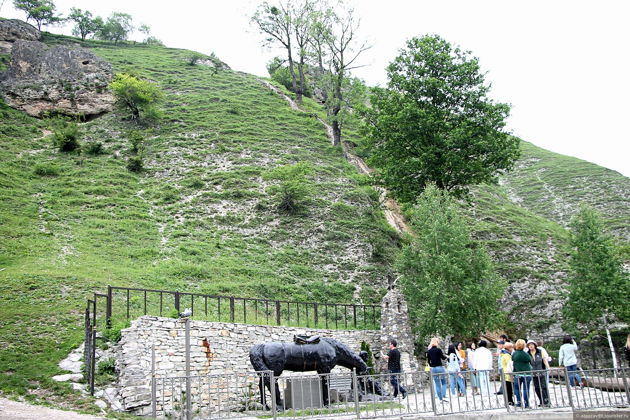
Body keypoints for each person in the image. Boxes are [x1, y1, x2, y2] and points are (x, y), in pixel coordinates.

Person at [527, 340, 550, 407]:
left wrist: (548, 367)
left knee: (543, 386)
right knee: (536, 387)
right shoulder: (527, 353)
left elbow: (544, 360)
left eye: (532, 344)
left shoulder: (540, 351)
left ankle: (546, 401)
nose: (530, 346)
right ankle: (541, 400)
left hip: (541, 371)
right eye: (529, 345)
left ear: (535, 345)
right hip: (533, 372)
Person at [512, 339, 533, 408]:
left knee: (517, 389)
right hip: (527, 373)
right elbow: (530, 360)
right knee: (526, 389)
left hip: (517, 373)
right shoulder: (525, 354)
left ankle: (519, 402)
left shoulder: (514, 354)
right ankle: (526, 404)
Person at [426, 337, 448, 402]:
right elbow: (443, 357)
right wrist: (446, 357)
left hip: (433, 368)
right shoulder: (438, 350)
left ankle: (440, 399)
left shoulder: (429, 351)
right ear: (437, 342)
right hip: (439, 367)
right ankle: (444, 396)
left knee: (437, 384)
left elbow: (428, 361)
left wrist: (431, 366)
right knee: (443, 382)